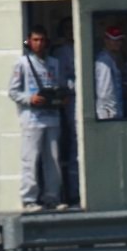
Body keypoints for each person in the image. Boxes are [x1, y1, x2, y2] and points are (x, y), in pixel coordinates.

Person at [8, 25, 64, 212]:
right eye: (35, 40)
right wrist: (29, 99)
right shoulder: (22, 63)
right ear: (29, 42)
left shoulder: (54, 63)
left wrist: (61, 97)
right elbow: (13, 91)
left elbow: (61, 85)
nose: (39, 44)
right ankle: (29, 198)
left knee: (53, 159)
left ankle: (52, 197)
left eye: (42, 40)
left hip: (52, 116)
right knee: (30, 158)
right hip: (32, 117)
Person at [50, 17, 79, 207]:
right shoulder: (61, 52)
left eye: (72, 27)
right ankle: (73, 193)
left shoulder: (82, 47)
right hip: (69, 103)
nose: (70, 31)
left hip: (83, 103)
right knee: (72, 149)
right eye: (67, 28)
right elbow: (61, 80)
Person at [94, 25, 125, 121]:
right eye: (113, 40)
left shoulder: (113, 59)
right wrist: (110, 112)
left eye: (119, 40)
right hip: (108, 113)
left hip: (115, 109)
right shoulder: (104, 60)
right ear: (106, 40)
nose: (117, 43)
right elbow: (104, 91)